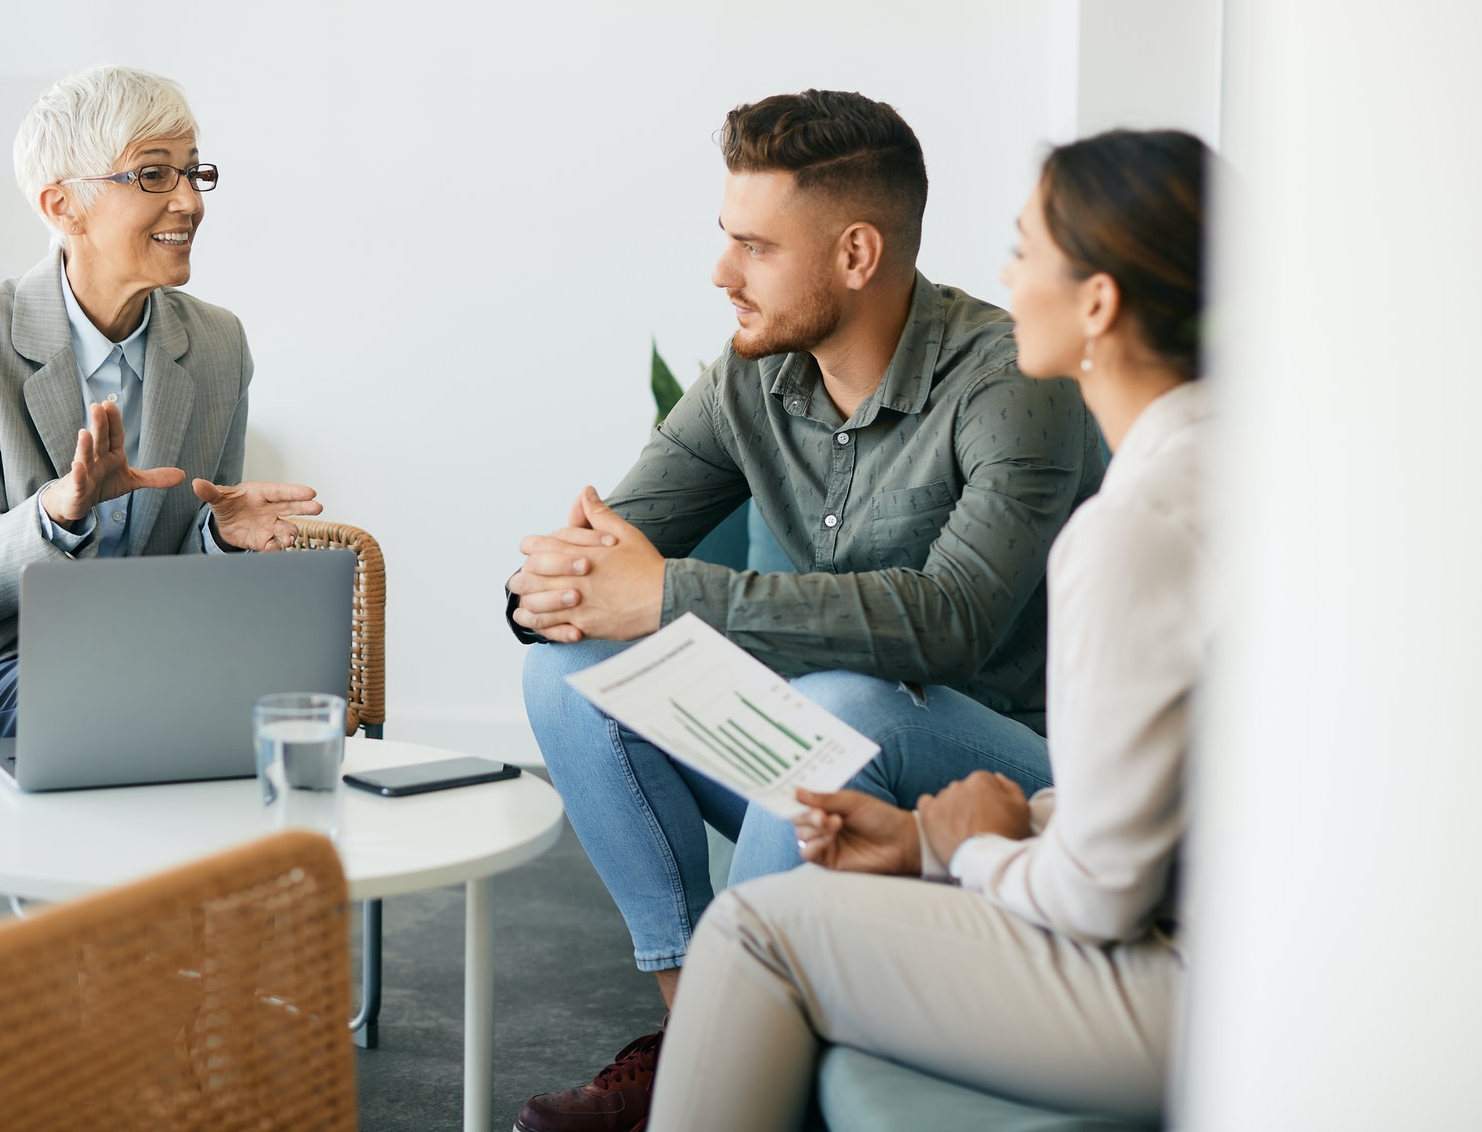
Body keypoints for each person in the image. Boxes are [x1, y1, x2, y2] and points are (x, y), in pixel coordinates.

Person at [509, 90, 1107, 1132]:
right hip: (817, 776)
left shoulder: (1010, 378)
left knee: (850, 705)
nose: (720, 274)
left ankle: (728, 1065)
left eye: (753, 246)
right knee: (565, 674)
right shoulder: (752, 376)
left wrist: (665, 592)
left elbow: (951, 618)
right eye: (723, 240)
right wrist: (550, 588)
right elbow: (605, 553)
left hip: (1008, 775)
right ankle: (701, 1033)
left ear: (854, 253)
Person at [645, 129, 1208, 1130]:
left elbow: (1098, 900)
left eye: (1023, 248)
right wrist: (921, 838)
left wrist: (965, 848)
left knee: (752, 929)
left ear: (1096, 303)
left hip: (1210, 992)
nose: (1000, 276)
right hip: (1225, 928)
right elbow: (1181, 811)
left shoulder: (1129, 530)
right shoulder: (1227, 467)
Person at [0, 66, 320, 770]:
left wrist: (218, 537)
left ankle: (244, 878)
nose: (189, 201)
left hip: (151, 650)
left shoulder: (217, 345)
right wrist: (58, 513)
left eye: (193, 172)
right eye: (154, 175)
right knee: (132, 699)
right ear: (64, 205)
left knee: (276, 695)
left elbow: (183, 571)